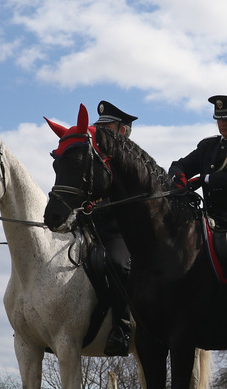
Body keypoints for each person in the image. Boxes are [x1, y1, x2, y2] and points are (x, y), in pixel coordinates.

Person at [167, 95, 227, 338]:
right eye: (219, 119)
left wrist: (206, 179)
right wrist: (177, 176)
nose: (222, 124)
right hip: (213, 215)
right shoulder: (208, 146)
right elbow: (179, 164)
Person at [92, 100, 137, 356]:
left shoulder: (132, 160)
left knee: (118, 265)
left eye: (106, 127)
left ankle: (120, 328)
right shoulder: (96, 157)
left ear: (121, 130)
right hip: (91, 228)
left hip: (119, 231)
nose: (100, 131)